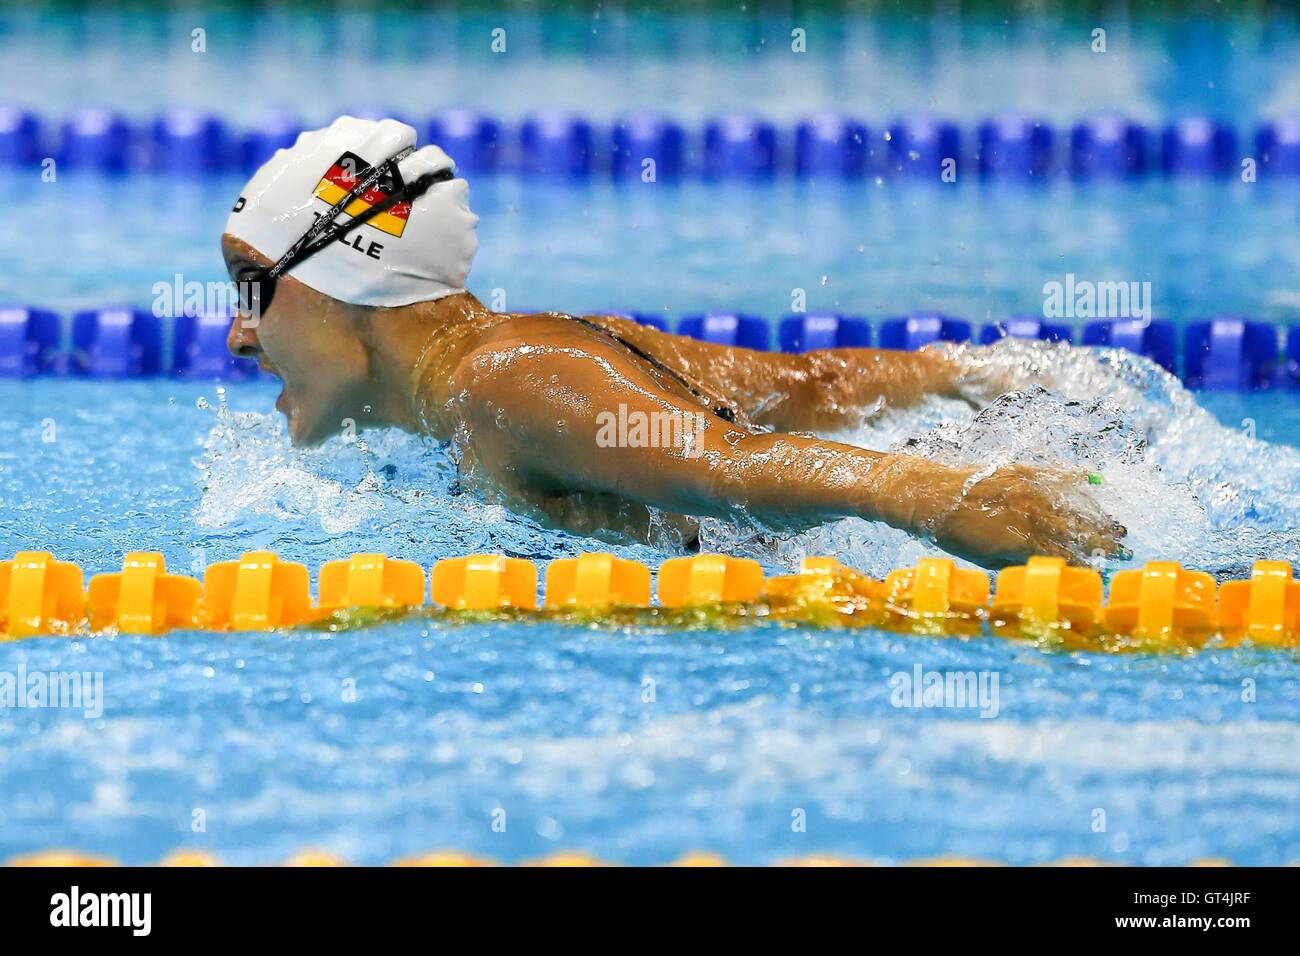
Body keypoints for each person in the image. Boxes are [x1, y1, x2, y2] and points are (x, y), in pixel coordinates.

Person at [223, 117, 1125, 567]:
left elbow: (729, 462)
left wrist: (929, 492)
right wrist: (964, 377)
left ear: (347, 279)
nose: (237, 335)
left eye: (253, 289)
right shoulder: (548, 352)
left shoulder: (507, 380)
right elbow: (808, 387)